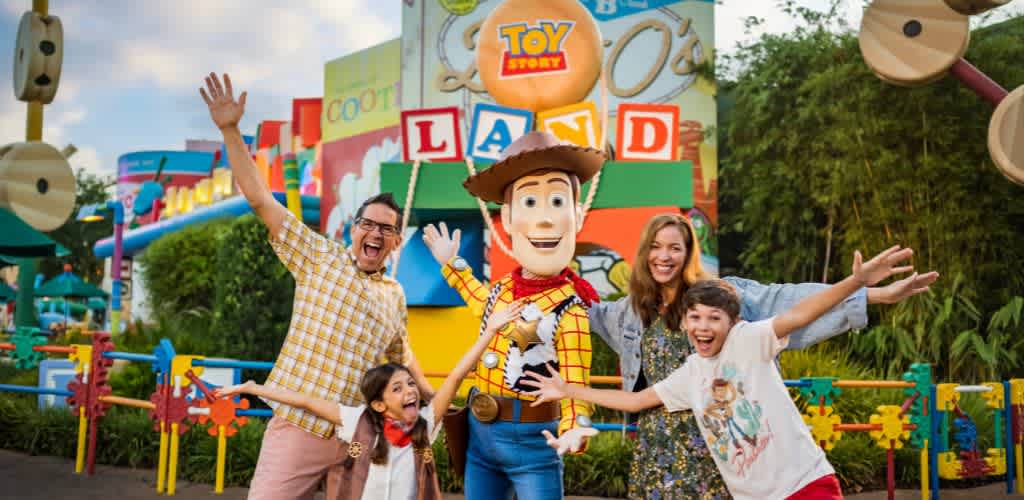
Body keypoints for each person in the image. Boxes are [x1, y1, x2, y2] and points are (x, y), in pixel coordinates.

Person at [585, 213, 938, 499]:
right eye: (656, 247)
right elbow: (580, 313)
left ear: (688, 252)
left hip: (720, 443)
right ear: (645, 252)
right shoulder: (630, 311)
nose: (664, 256)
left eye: (675, 247)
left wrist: (872, 295)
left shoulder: (719, 295)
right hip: (658, 445)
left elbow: (789, 302)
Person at [199, 73, 432, 499]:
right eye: (368, 224)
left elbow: (402, 357)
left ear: (397, 242)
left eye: (387, 229)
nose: (376, 234)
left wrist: (435, 399)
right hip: (298, 429)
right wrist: (231, 131)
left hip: (358, 437)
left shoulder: (395, 293)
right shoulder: (318, 256)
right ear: (353, 229)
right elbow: (260, 200)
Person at [421, 131, 605, 500]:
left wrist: (576, 427)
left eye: (556, 201)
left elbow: (575, 380)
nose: (544, 220)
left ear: (577, 214)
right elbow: (479, 300)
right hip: (481, 434)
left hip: (534, 441)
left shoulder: (570, 307)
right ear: (507, 217)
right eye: (530, 202)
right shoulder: (504, 288)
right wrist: (452, 264)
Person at [216, 300, 527, 500]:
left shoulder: (425, 423)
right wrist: (254, 389)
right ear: (378, 404)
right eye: (397, 389)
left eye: (410, 384)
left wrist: (492, 330)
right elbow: (305, 401)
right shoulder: (359, 422)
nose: (410, 392)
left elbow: (458, 373)